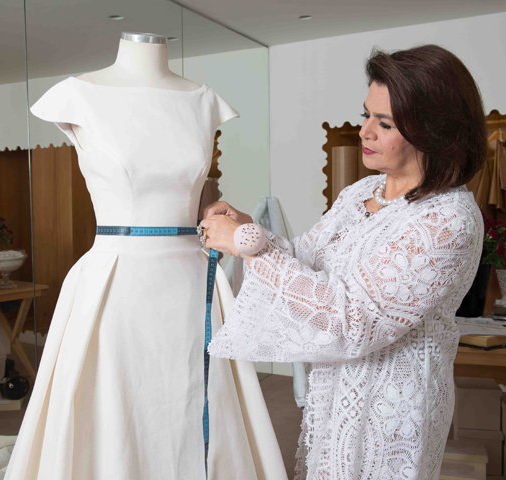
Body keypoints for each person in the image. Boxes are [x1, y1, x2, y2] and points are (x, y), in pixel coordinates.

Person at [200, 44, 487, 480]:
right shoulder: (361, 193)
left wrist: (247, 245)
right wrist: (250, 228)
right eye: (366, 114)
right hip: (334, 390)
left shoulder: (448, 220)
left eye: (384, 123)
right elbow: (305, 259)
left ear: (434, 130)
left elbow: (353, 318)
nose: (364, 132)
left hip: (391, 408)